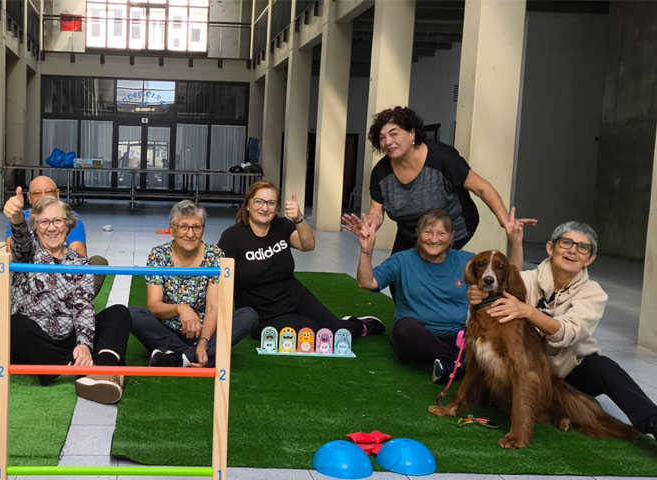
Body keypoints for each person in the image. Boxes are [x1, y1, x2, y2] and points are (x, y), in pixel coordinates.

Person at [468, 215, 657, 459]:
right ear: (550, 248)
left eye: (583, 247)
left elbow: (568, 333)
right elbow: (507, 283)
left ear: (590, 258)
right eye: (566, 243)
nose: (573, 250)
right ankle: (556, 413)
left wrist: (528, 311)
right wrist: (478, 292)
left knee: (606, 368)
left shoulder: (594, 294)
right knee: (476, 355)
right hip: (528, 369)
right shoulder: (531, 279)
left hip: (570, 368)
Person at [342, 106, 536, 254]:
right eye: (382, 138)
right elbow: (376, 212)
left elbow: (482, 188)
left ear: (412, 133)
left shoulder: (442, 158)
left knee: (428, 271)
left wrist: (505, 221)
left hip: (452, 228)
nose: (388, 142)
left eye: (394, 134)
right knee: (398, 277)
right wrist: (370, 225)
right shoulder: (381, 173)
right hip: (411, 231)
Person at [4, 188, 131, 404]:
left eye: (58, 221)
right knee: (15, 324)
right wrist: (16, 218)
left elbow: (83, 307)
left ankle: (103, 368)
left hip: (68, 337)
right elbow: (21, 240)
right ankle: (82, 367)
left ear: (68, 225)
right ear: (35, 226)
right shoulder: (28, 253)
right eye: (44, 222)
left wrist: (83, 345)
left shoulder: (80, 263)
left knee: (119, 313)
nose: (51, 228)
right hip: (35, 341)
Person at [218, 181, 383, 339]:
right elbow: (217, 279)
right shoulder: (232, 237)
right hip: (262, 315)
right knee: (309, 331)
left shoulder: (282, 226)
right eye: (259, 201)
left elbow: (308, 245)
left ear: (277, 208)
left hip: (295, 298)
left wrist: (298, 219)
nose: (265, 208)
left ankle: (359, 325)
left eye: (271, 203)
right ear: (248, 205)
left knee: (339, 333)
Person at [129, 200, 258, 367]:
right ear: (172, 229)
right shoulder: (159, 254)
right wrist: (181, 308)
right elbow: (154, 306)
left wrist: (203, 341)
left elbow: (213, 307)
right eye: (183, 227)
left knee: (248, 315)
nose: (190, 234)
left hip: (206, 332)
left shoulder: (215, 255)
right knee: (132, 314)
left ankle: (180, 357)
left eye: (197, 227)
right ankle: (200, 355)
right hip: (168, 331)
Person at [356, 209, 472, 381]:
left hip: (457, 336)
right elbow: (367, 282)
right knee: (403, 328)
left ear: (451, 236)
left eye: (441, 233)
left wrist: (512, 241)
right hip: (417, 338)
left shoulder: (466, 261)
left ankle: (452, 364)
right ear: (418, 233)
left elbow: (504, 279)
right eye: (428, 232)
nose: (434, 239)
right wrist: (366, 250)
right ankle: (460, 363)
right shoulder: (402, 260)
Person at [4, 175, 108, 294]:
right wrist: (16, 217)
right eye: (37, 193)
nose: (43, 197)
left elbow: (79, 255)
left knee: (98, 262)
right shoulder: (22, 220)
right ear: (29, 197)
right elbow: (15, 252)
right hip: (31, 280)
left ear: (57, 194)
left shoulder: (71, 217)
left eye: (48, 192)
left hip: (65, 279)